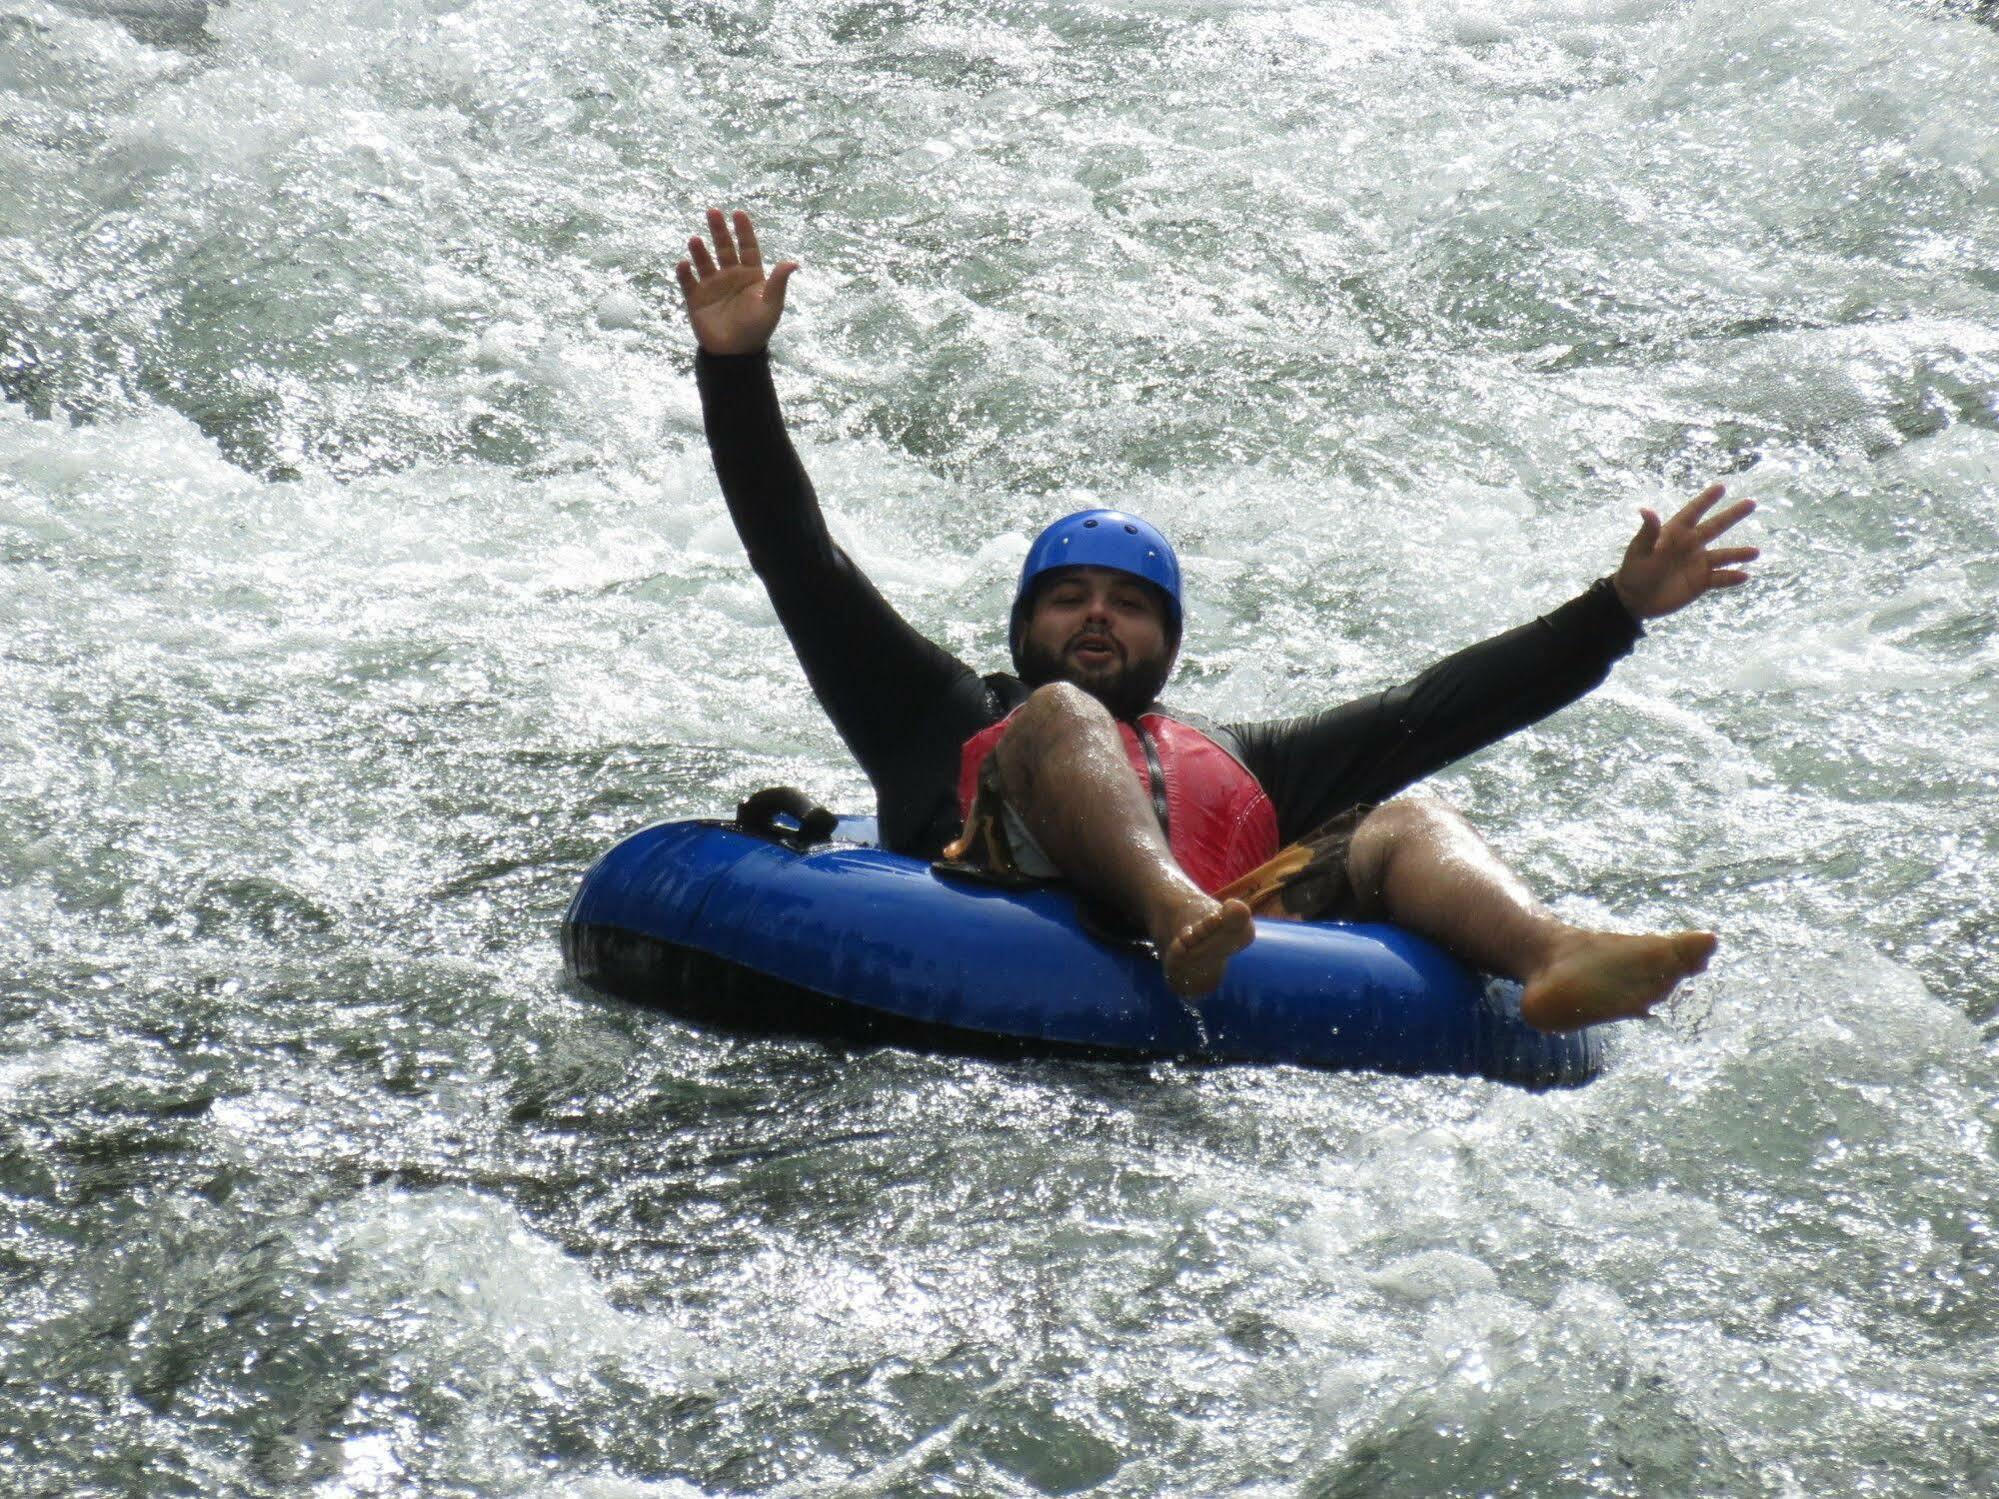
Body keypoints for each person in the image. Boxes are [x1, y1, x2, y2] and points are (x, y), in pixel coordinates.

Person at [675, 208, 1759, 1030]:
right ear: (1021, 623)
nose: (1098, 615)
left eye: (1130, 604)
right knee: (1055, 716)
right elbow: (797, 558)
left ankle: (1548, 950)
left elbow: (1442, 705)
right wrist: (734, 363)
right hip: (1035, 895)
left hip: (1239, 927)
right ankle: (1172, 907)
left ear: (1170, 645)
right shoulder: (934, 714)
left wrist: (1617, 610)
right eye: (1069, 596)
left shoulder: (1248, 759)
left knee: (1405, 810)